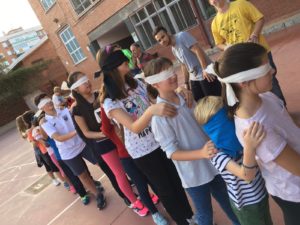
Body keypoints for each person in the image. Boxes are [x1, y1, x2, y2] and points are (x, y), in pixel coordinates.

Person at [207, 42, 300, 225]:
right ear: (244, 82)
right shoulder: (257, 129)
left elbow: (288, 124)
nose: (273, 70)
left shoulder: (266, 97)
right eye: (266, 68)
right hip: (294, 192)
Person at [100, 49, 195, 225]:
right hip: (143, 152)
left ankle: (190, 216)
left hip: (160, 140)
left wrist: (179, 90)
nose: (127, 61)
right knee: (165, 190)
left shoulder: (136, 83)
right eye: (122, 60)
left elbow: (158, 96)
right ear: (113, 67)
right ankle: (183, 221)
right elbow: (134, 127)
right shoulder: (109, 101)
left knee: (176, 181)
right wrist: (151, 111)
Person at [144, 57, 240, 225]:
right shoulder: (159, 118)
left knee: (230, 204)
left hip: (214, 163)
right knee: (204, 215)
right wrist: (202, 153)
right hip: (193, 176)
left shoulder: (186, 97)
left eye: (171, 71)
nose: (173, 76)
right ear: (155, 84)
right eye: (165, 75)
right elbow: (172, 153)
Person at [68, 71, 150, 217]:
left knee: (134, 167)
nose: (87, 83)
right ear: (75, 89)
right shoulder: (76, 109)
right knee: (119, 173)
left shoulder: (100, 95)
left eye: (86, 79)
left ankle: (146, 195)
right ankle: (133, 201)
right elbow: (86, 132)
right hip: (103, 143)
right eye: (82, 82)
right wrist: (103, 134)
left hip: (119, 137)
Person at [194, 96, 273, 225]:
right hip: (247, 205)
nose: (229, 127)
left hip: (261, 193)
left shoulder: (239, 138)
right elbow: (246, 175)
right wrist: (249, 146)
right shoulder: (215, 154)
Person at [35, 93, 106, 210]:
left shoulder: (64, 110)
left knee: (101, 162)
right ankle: (98, 194)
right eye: (45, 103)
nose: (49, 103)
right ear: (41, 108)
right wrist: (78, 131)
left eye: (48, 100)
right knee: (82, 175)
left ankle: (118, 180)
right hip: (68, 152)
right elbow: (59, 138)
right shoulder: (44, 123)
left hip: (82, 144)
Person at [209, 0, 286, 105]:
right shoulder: (215, 23)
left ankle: (282, 110)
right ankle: (269, 112)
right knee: (253, 87)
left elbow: (260, 19)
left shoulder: (241, 4)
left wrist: (254, 35)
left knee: (270, 81)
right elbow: (219, 43)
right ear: (210, 3)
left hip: (258, 53)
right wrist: (227, 47)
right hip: (241, 61)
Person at [153, 26, 221, 101]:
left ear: (168, 33)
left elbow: (197, 50)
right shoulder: (173, 49)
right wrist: (186, 83)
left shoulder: (182, 36)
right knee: (198, 101)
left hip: (205, 73)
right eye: (159, 40)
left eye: (163, 37)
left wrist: (205, 69)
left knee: (214, 100)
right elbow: (183, 65)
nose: (162, 41)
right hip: (194, 77)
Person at [21, 111, 62, 187]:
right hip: (44, 151)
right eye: (33, 116)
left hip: (51, 148)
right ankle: (59, 180)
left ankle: (65, 178)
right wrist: (36, 136)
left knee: (60, 164)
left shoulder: (41, 123)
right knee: (53, 167)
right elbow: (34, 144)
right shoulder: (29, 131)